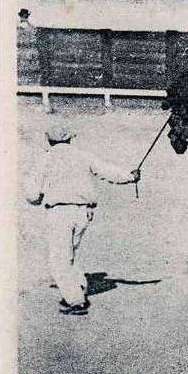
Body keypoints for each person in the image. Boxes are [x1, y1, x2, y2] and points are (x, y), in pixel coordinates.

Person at [25, 122, 140, 315]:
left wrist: (37, 199)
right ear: (70, 138)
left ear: (48, 140)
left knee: (58, 259)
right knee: (70, 254)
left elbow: (31, 193)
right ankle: (76, 290)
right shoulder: (83, 155)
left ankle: (76, 300)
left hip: (59, 213)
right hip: (83, 214)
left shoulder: (44, 159)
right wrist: (130, 176)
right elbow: (108, 171)